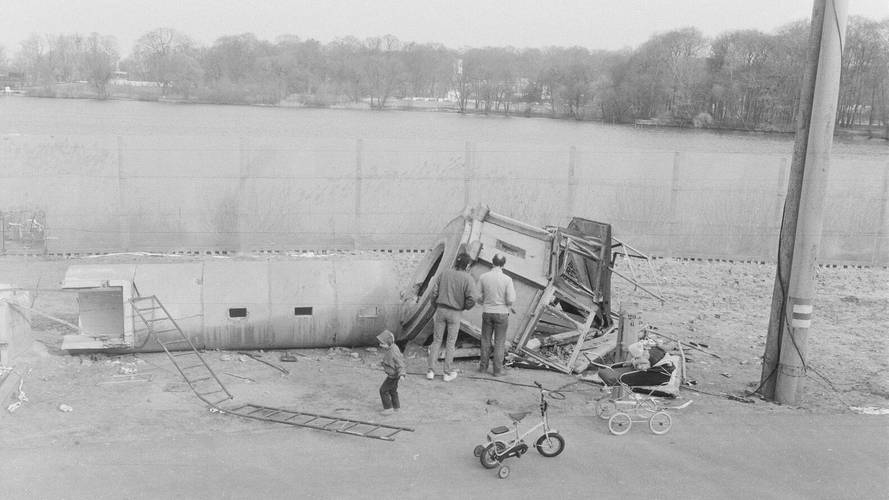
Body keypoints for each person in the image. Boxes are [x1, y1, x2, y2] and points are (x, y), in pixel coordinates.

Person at [427, 253, 477, 382]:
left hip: (441, 309)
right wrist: (463, 307)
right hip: (455, 312)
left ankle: (430, 371)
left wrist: (435, 305)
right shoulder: (468, 278)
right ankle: (447, 372)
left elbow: (434, 292)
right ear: (467, 265)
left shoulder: (444, 273)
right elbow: (472, 299)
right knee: (450, 342)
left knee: (437, 340)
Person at [477, 253, 516, 376]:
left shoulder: (483, 277)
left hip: (487, 312)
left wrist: (485, 301)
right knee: (499, 342)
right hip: (502, 313)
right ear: (504, 264)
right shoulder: (507, 279)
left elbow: (477, 296)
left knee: (485, 340)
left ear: (492, 262)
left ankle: (483, 367)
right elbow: (510, 299)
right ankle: (497, 371)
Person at [597, 340, 675, 387]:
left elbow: (644, 367)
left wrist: (638, 366)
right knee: (605, 370)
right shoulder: (645, 354)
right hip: (643, 367)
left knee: (606, 373)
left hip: (649, 374)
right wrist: (632, 363)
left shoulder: (646, 358)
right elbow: (636, 361)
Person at [377, 330, 405, 415]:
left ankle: (388, 408)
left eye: (382, 343)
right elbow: (389, 361)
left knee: (383, 390)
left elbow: (400, 363)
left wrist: (402, 374)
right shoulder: (392, 348)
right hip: (394, 375)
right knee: (393, 390)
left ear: (388, 342)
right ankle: (396, 406)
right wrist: (382, 363)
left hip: (393, 376)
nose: (380, 345)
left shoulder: (393, 352)